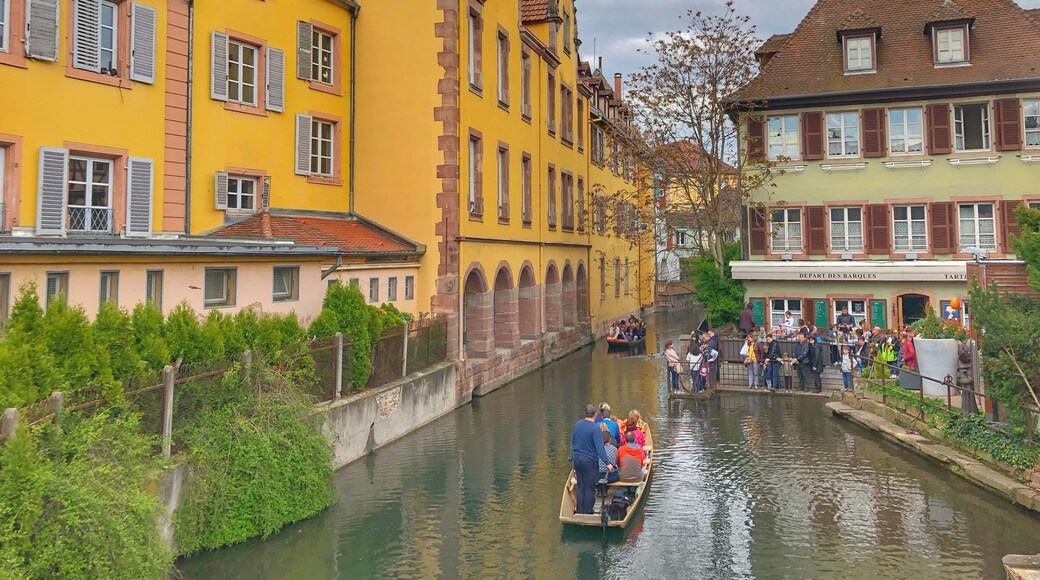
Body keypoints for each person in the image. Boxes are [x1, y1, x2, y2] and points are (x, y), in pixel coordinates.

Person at [571, 405, 614, 514]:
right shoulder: (595, 429)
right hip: (589, 460)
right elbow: (600, 449)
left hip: (577, 459)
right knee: (590, 487)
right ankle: (588, 511)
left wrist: (571, 456)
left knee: (581, 485)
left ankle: (580, 510)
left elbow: (573, 442)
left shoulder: (577, 425)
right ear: (595, 415)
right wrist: (608, 463)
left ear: (584, 414)